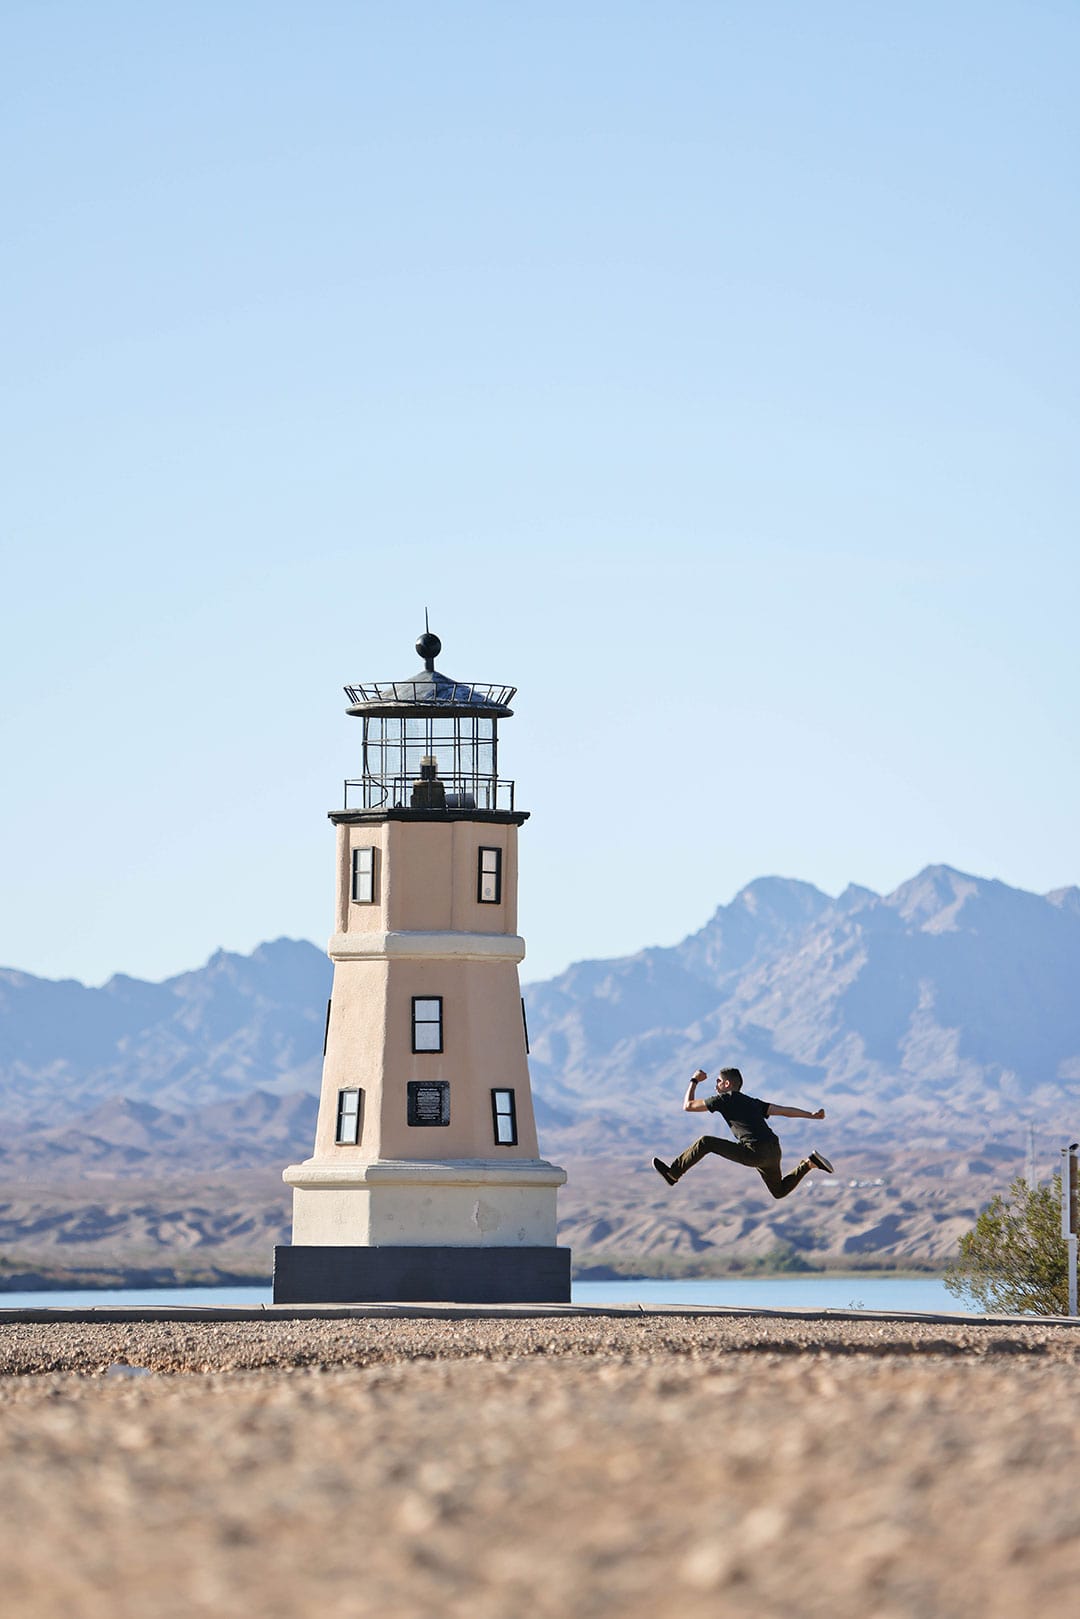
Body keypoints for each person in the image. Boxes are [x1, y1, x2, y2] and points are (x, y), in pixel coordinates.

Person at [652, 1066, 833, 1199]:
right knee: (778, 1191)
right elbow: (783, 1110)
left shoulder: (724, 1099)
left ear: (727, 1083)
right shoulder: (752, 1101)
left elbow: (688, 1106)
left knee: (706, 1142)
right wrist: (811, 1115)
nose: (716, 1084)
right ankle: (810, 1163)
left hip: (755, 1152)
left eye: (718, 1081)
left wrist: (694, 1080)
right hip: (774, 1149)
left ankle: (673, 1173)